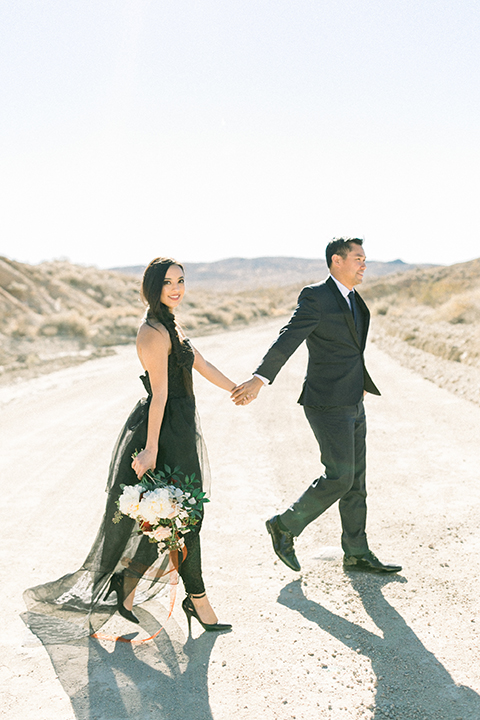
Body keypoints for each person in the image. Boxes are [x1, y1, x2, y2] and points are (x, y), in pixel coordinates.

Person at [24, 257, 234, 641]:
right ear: (151, 288)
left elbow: (201, 363)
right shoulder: (152, 332)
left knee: (175, 519)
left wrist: (236, 388)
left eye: (181, 281)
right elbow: (160, 396)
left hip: (181, 429)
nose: (176, 288)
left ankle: (130, 582)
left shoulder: (172, 324)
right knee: (184, 519)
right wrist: (152, 448)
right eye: (168, 282)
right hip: (164, 431)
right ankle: (196, 599)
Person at [231, 238, 402, 574]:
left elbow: (352, 350)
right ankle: (284, 526)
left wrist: (360, 384)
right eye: (358, 258)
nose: (364, 265)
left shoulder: (355, 300)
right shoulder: (317, 296)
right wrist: (259, 379)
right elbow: (289, 336)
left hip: (353, 399)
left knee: (356, 481)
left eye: (365, 259)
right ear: (336, 260)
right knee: (340, 477)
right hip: (326, 402)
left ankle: (356, 552)